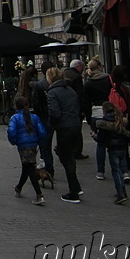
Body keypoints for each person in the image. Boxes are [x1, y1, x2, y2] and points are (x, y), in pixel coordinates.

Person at [46, 67, 84, 203]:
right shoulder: (71, 90)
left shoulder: (52, 93)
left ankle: (74, 192)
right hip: (75, 125)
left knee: (66, 158)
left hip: (64, 127)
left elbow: (54, 113)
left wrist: (52, 123)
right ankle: (76, 186)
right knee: (69, 157)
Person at [7, 96, 47, 205]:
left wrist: (14, 141)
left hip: (23, 145)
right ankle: (19, 188)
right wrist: (39, 141)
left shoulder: (15, 118)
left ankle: (39, 194)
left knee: (29, 168)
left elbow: (11, 131)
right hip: (33, 144)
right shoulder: (34, 117)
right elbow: (42, 132)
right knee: (27, 166)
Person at [91, 102, 130, 204]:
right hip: (122, 147)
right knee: (121, 167)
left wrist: (94, 135)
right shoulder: (119, 119)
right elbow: (126, 134)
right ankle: (123, 186)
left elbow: (101, 139)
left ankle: (121, 192)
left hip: (113, 148)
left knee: (116, 170)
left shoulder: (104, 122)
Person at [83, 59, 112, 180]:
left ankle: (100, 171)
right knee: (115, 141)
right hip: (110, 110)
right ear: (99, 66)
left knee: (100, 144)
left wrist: (89, 120)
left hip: (96, 112)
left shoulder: (88, 83)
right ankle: (122, 169)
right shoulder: (108, 79)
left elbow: (86, 103)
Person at [110, 64, 130, 176]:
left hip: (120, 114)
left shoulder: (115, 85)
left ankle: (123, 163)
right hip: (122, 114)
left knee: (121, 140)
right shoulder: (121, 86)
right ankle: (124, 164)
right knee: (123, 139)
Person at [30, 61, 54, 177]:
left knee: (45, 146)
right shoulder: (61, 83)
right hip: (59, 117)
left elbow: (36, 104)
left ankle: (49, 169)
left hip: (45, 117)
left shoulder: (39, 85)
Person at [62, 59, 89, 160]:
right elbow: (80, 95)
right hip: (75, 108)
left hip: (65, 107)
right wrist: (82, 110)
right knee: (77, 130)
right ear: (77, 67)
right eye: (82, 67)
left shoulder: (63, 73)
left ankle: (67, 150)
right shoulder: (77, 77)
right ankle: (77, 151)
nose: (83, 70)